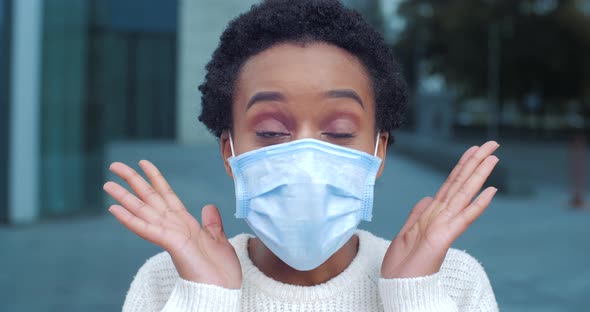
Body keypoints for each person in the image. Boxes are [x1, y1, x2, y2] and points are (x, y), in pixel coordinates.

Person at [103, 0, 500, 311]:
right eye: (271, 132)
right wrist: (205, 299)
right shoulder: (168, 280)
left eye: (340, 132)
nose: (306, 160)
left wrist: (414, 295)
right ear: (230, 150)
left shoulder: (451, 279)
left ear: (379, 149)